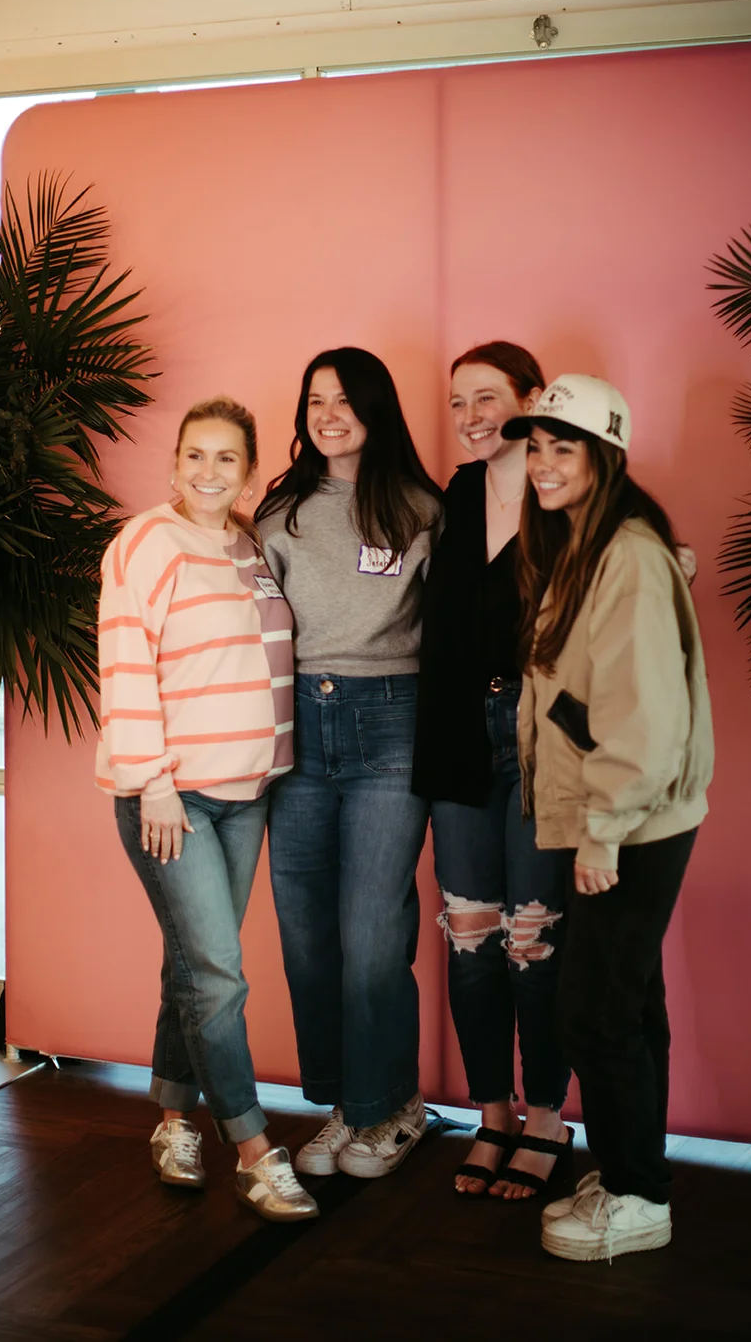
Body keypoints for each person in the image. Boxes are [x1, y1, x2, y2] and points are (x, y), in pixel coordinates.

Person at [504, 374, 713, 1261]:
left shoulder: (623, 554)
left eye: (565, 447)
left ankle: (636, 1194)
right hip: (629, 816)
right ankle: (639, 1175)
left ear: (605, 456)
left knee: (594, 1013)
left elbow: (642, 715)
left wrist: (603, 830)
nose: (544, 464)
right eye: (538, 446)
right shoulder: (587, 545)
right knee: (630, 1005)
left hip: (630, 822)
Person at [95, 396, 318, 1223]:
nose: (209, 472)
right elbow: (123, 664)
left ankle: (171, 1118)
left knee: (191, 966)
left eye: (227, 458)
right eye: (196, 455)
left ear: (248, 470)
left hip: (248, 793)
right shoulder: (147, 543)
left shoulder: (253, 544)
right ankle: (255, 1150)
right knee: (219, 973)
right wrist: (151, 780)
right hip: (173, 797)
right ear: (175, 462)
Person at [257, 347, 441, 1179]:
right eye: (314, 401)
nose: (326, 415)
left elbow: (459, 625)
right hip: (298, 729)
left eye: (343, 400)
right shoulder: (281, 510)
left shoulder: (420, 508)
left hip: (390, 726)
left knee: (373, 935)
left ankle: (392, 1107)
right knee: (306, 937)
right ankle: (346, 1105)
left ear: (376, 408)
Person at [413, 342, 574, 1200]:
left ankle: (548, 1116)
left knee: (534, 939)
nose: (472, 417)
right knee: (472, 941)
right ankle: (493, 1115)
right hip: (458, 740)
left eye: (487, 399)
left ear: (531, 400)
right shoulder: (456, 497)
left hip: (541, 739)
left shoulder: (569, 498)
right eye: (459, 404)